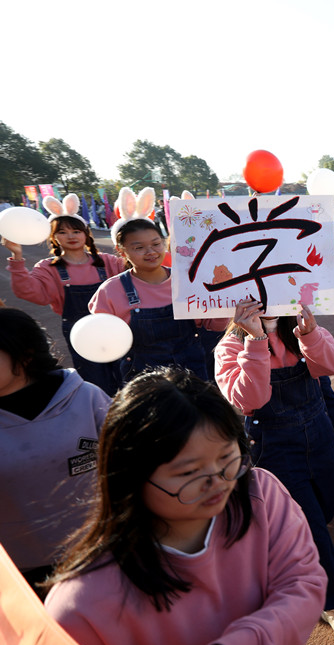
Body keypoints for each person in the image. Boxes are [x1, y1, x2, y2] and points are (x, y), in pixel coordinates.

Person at [45, 367, 326, 645]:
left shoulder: (259, 493)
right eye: (189, 472)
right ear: (130, 476)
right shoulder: (79, 607)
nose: (218, 481)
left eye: (227, 457)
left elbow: (303, 582)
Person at [214, 299, 334, 640]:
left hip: (319, 434)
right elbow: (247, 400)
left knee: (330, 504)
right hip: (274, 446)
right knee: (310, 524)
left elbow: (333, 365)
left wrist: (310, 334)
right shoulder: (229, 346)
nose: (266, 300)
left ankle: (282, 556)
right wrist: (254, 342)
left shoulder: (299, 329)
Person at [0, 308, 110, 593]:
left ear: (25, 355)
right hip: (19, 574)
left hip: (101, 552)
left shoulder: (87, 397)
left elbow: (131, 462)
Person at [89, 188, 226, 386]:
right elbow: (103, 341)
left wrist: (224, 295)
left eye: (156, 244)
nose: (151, 252)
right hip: (144, 383)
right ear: (121, 251)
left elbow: (215, 325)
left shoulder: (188, 280)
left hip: (193, 376)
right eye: (139, 247)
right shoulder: (110, 291)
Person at [4, 194, 126, 394]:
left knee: (127, 375)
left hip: (117, 328)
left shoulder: (108, 261)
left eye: (76, 231)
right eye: (62, 232)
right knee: (95, 383)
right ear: (53, 237)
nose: (71, 236)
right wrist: (17, 256)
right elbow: (30, 292)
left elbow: (137, 272)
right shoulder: (48, 267)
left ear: (86, 234)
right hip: (80, 333)